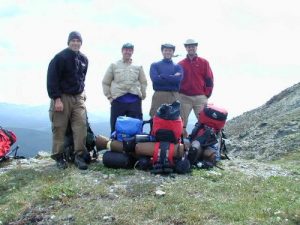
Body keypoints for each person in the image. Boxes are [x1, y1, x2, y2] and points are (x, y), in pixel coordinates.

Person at [47, 31, 89, 170]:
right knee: (59, 127)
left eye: (78, 41)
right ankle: (59, 157)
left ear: (81, 43)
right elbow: (52, 80)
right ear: (68, 42)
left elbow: (82, 78)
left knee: (81, 126)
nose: (76, 43)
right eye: (73, 40)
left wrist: (83, 93)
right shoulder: (60, 58)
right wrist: (57, 99)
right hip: (62, 96)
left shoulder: (84, 59)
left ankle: (79, 156)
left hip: (78, 97)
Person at [102, 43, 147, 133]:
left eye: (130, 50)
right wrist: (109, 97)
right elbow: (105, 82)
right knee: (115, 129)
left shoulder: (138, 66)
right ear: (122, 51)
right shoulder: (114, 65)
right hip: (118, 101)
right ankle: (115, 146)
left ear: (132, 52)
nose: (128, 52)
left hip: (134, 102)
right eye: (126, 50)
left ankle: (135, 147)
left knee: (136, 129)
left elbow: (143, 82)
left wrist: (143, 95)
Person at [178, 39, 214, 137]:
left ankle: (200, 144)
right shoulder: (180, 64)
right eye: (189, 46)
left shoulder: (204, 62)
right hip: (184, 97)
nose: (191, 48)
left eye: (193, 46)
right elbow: (177, 80)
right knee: (181, 124)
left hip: (200, 97)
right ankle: (182, 145)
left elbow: (209, 79)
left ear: (196, 47)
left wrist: (207, 94)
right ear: (186, 48)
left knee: (204, 123)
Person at [149, 43, 183, 117]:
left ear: (173, 52)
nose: (168, 52)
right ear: (162, 51)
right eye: (166, 50)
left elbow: (178, 80)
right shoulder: (155, 65)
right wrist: (172, 77)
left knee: (174, 119)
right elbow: (155, 80)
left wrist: (162, 76)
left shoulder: (177, 66)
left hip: (174, 95)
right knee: (155, 118)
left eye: (170, 50)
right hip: (159, 94)